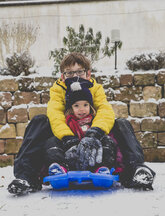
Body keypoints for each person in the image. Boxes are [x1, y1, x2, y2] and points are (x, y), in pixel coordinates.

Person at [7, 52, 155, 195]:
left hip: (94, 137)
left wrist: (94, 133)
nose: (74, 76)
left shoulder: (95, 88)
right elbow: (55, 115)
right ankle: (26, 177)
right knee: (40, 121)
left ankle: (135, 170)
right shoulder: (58, 90)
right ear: (62, 75)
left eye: (79, 72)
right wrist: (68, 139)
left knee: (121, 123)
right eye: (69, 73)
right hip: (65, 138)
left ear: (88, 74)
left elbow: (105, 111)